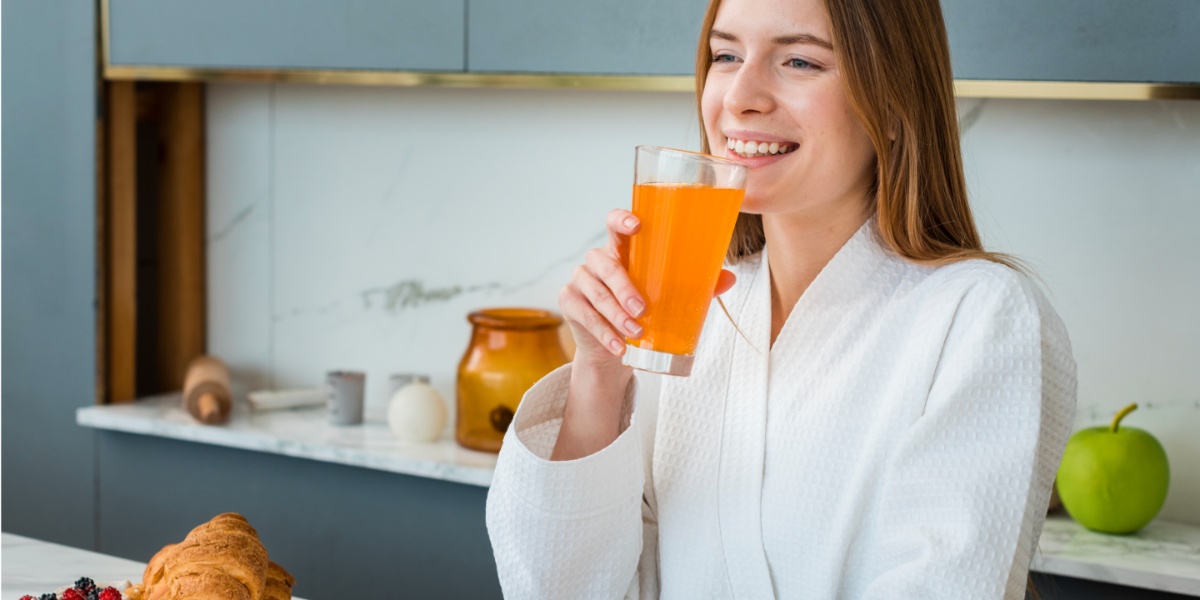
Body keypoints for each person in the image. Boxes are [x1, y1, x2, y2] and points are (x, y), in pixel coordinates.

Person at [486, 0, 1077, 597]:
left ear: (895, 103)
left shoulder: (979, 318)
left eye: (798, 60)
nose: (740, 96)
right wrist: (599, 373)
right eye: (725, 55)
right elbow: (557, 590)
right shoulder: (692, 314)